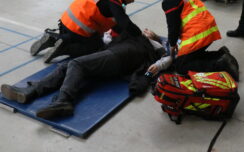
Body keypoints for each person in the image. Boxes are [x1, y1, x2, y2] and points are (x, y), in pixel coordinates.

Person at [1, 33, 172, 120]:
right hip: (112, 56)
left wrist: (156, 62)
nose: (146, 30)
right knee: (66, 66)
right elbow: (106, 39)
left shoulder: (154, 44)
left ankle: (64, 101)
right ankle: (32, 91)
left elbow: (168, 58)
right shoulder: (132, 36)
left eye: (149, 31)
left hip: (119, 57)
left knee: (76, 64)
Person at [30, 0, 142, 63]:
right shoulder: (115, 2)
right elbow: (124, 23)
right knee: (96, 46)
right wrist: (139, 35)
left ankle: (54, 38)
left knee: (86, 37)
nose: (133, 1)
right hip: (78, 28)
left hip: (65, 22)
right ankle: (64, 48)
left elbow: (116, 25)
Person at [153, 0, 239, 80]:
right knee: (192, 56)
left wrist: (172, 45)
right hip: (208, 28)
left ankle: (221, 64)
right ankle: (220, 55)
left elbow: (173, 26)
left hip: (198, 34)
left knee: (181, 66)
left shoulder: (169, 0)